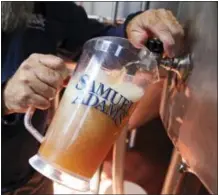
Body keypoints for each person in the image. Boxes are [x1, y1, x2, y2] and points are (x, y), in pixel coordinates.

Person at [1, 2, 184, 194]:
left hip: (36, 173)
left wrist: (134, 27)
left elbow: (95, 43)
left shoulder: (46, 5)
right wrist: (4, 98)